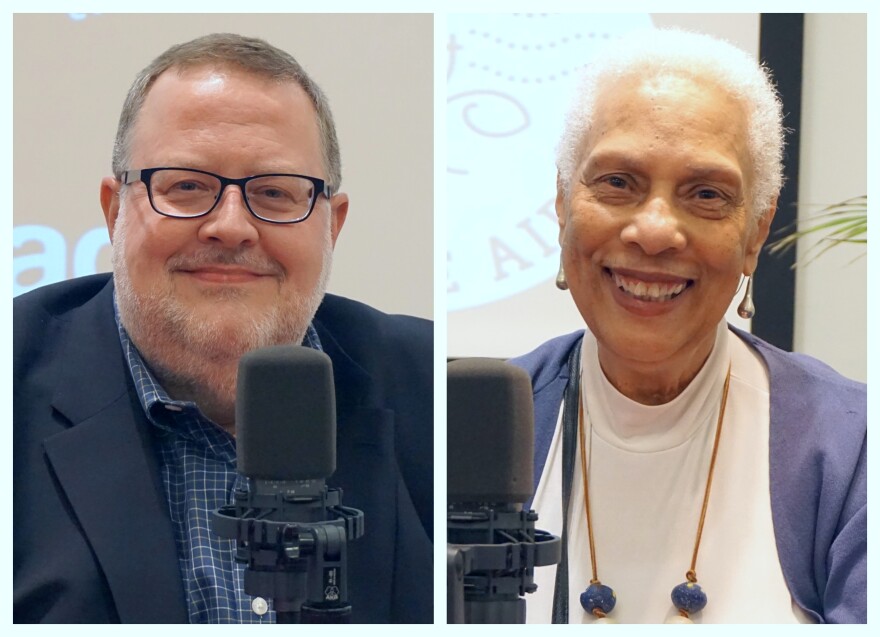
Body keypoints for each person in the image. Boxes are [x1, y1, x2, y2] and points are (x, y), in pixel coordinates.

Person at [13, 33, 432, 624]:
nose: (231, 227)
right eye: (186, 186)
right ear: (114, 212)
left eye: (274, 193)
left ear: (331, 226)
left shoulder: (434, 394)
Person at [509, 29, 866, 624]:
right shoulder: (468, 429)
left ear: (756, 232)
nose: (653, 231)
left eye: (705, 193)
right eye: (618, 182)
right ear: (564, 206)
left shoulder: (854, 452)